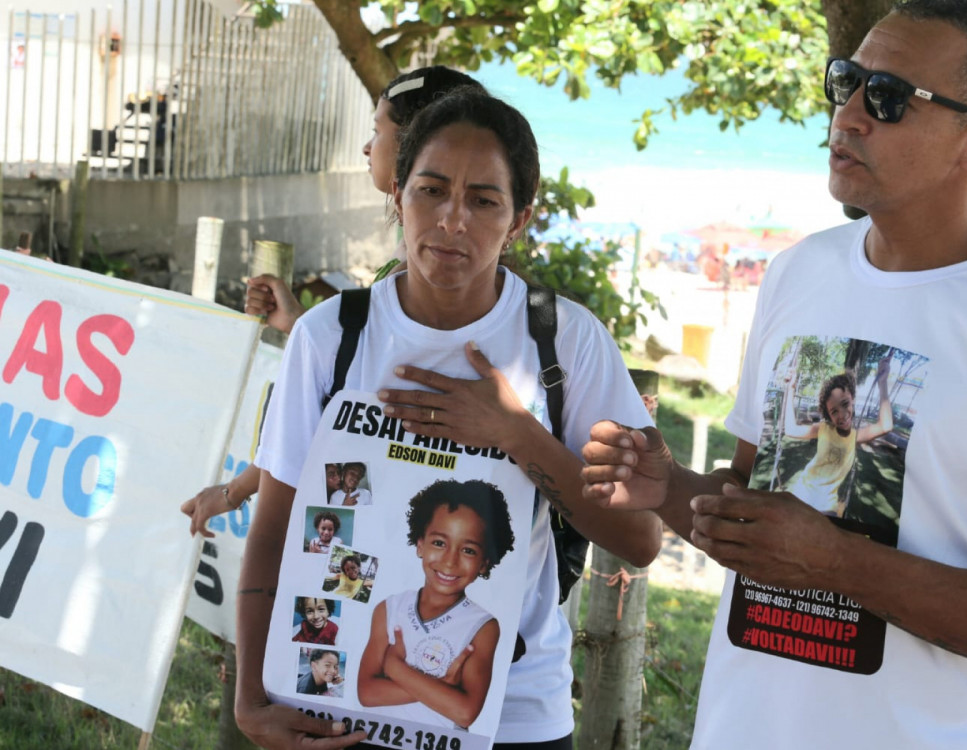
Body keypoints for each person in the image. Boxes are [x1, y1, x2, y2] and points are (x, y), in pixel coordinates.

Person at [581, 2, 967, 747]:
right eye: (845, 82)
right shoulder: (796, 274)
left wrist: (839, 564)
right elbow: (758, 516)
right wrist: (668, 488)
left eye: (888, 98)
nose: (846, 116)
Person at [236, 87, 660, 750]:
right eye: (431, 190)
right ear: (397, 193)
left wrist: (517, 435)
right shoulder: (329, 337)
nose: (452, 220)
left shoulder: (567, 342)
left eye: (484, 200)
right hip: (336, 710)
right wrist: (251, 699)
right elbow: (274, 527)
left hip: (516, 717)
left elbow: (641, 538)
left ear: (520, 217)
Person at [180, 66, 486, 537]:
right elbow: (368, 387)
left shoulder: (429, 270)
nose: (367, 148)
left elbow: (356, 419)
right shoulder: (417, 268)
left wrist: (234, 491)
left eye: (376, 131)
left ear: (412, 145)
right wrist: (310, 328)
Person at [358, 480, 516, 729]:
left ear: (485, 563)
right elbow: (367, 693)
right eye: (439, 543)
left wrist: (395, 667)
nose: (450, 561)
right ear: (420, 545)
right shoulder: (389, 609)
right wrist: (441, 685)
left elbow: (464, 712)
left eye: (468, 550)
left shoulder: (483, 626)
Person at [782, 357, 892, 516]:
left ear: (852, 399)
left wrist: (883, 382)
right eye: (834, 411)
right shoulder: (823, 429)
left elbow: (886, 425)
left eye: (845, 404)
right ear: (829, 415)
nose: (842, 415)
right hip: (803, 492)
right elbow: (791, 430)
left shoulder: (856, 436)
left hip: (827, 503)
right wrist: (790, 389)